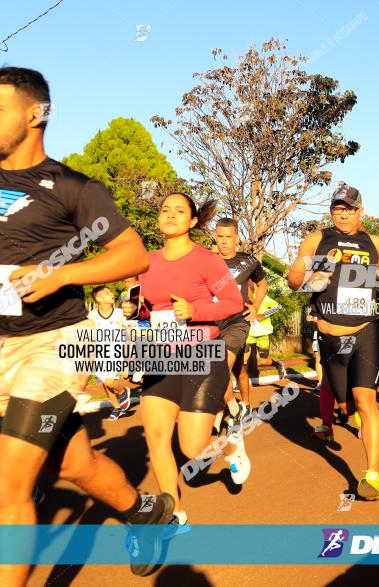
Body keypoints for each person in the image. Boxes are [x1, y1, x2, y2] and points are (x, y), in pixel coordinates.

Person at [0, 67, 174, 583]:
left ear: (34, 115)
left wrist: (60, 274)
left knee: (9, 486)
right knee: (71, 465)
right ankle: (146, 512)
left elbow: (132, 255)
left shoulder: (72, 187)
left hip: (55, 343)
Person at [123, 192, 247, 534]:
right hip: (160, 355)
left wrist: (196, 312)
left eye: (180, 211)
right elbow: (148, 309)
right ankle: (175, 514)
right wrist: (135, 310)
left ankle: (232, 444)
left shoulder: (207, 260)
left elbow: (233, 303)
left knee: (192, 449)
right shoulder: (147, 262)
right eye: (165, 210)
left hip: (201, 355)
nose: (171, 215)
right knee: (156, 437)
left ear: (193, 221)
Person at [288, 183, 379, 500]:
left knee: (365, 401)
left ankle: (372, 474)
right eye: (337, 209)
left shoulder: (374, 242)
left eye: (348, 209)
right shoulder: (317, 240)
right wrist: (309, 280)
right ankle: (340, 415)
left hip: (364, 332)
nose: (342, 215)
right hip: (330, 336)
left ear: (360, 210)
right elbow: (292, 280)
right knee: (345, 406)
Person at [214, 217, 276, 424]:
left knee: (222, 367)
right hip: (212, 322)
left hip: (237, 322)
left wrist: (256, 307)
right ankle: (237, 407)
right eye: (220, 237)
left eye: (228, 237)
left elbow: (263, 284)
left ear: (236, 238)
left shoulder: (248, 261)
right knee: (229, 369)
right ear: (215, 237)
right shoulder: (207, 261)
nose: (223, 241)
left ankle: (229, 410)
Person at [88, 286, 133, 420]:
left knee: (109, 381)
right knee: (105, 382)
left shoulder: (120, 313)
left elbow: (130, 330)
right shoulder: (92, 316)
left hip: (115, 351)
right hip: (100, 353)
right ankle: (117, 408)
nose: (112, 294)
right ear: (99, 298)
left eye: (111, 292)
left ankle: (123, 392)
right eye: (107, 293)